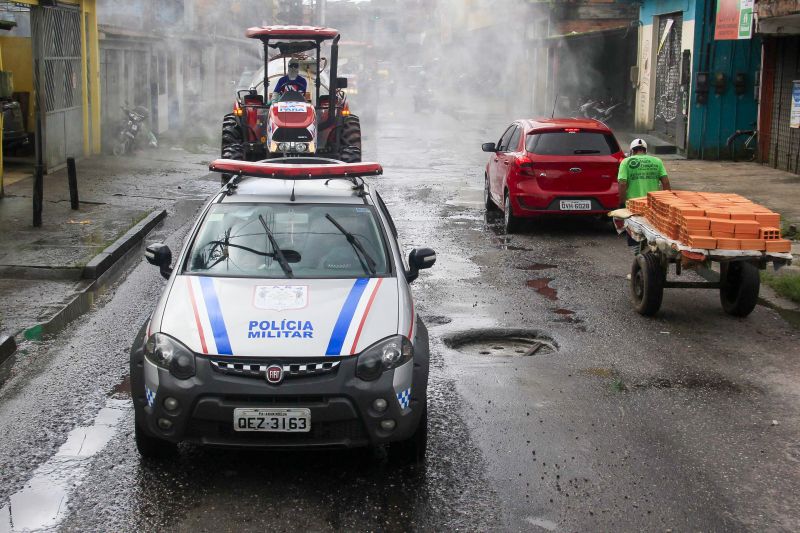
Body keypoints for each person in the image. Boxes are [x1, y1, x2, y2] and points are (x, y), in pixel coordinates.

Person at [618, 138, 671, 257]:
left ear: (632, 150)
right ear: (645, 150)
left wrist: (622, 204)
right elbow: (666, 183)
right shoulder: (657, 161)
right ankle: (651, 260)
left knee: (636, 237)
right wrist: (667, 202)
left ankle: (639, 265)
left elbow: (622, 184)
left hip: (633, 207)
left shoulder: (626, 162)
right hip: (653, 206)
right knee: (653, 234)